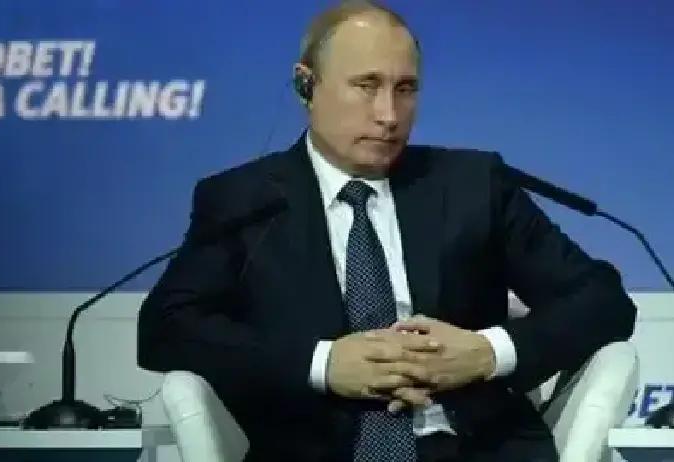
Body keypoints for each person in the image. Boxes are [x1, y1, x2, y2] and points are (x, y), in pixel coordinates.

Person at [137, 2, 637, 461]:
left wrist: (486, 353)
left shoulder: (473, 185)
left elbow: (602, 299)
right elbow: (166, 326)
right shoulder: (244, 201)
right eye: (366, 86)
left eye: (405, 89)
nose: (389, 115)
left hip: (472, 448)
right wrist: (322, 364)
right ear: (306, 86)